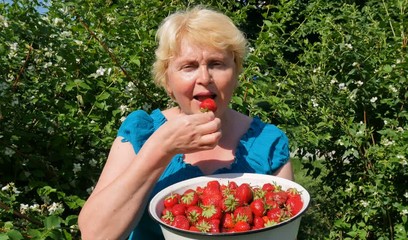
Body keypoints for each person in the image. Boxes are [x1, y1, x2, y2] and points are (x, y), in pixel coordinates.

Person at [78, 5, 294, 240]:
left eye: (216, 64)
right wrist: (161, 147)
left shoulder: (268, 143)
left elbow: (283, 230)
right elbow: (95, 234)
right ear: (167, 80)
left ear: (235, 72)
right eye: (189, 66)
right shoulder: (142, 131)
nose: (204, 78)